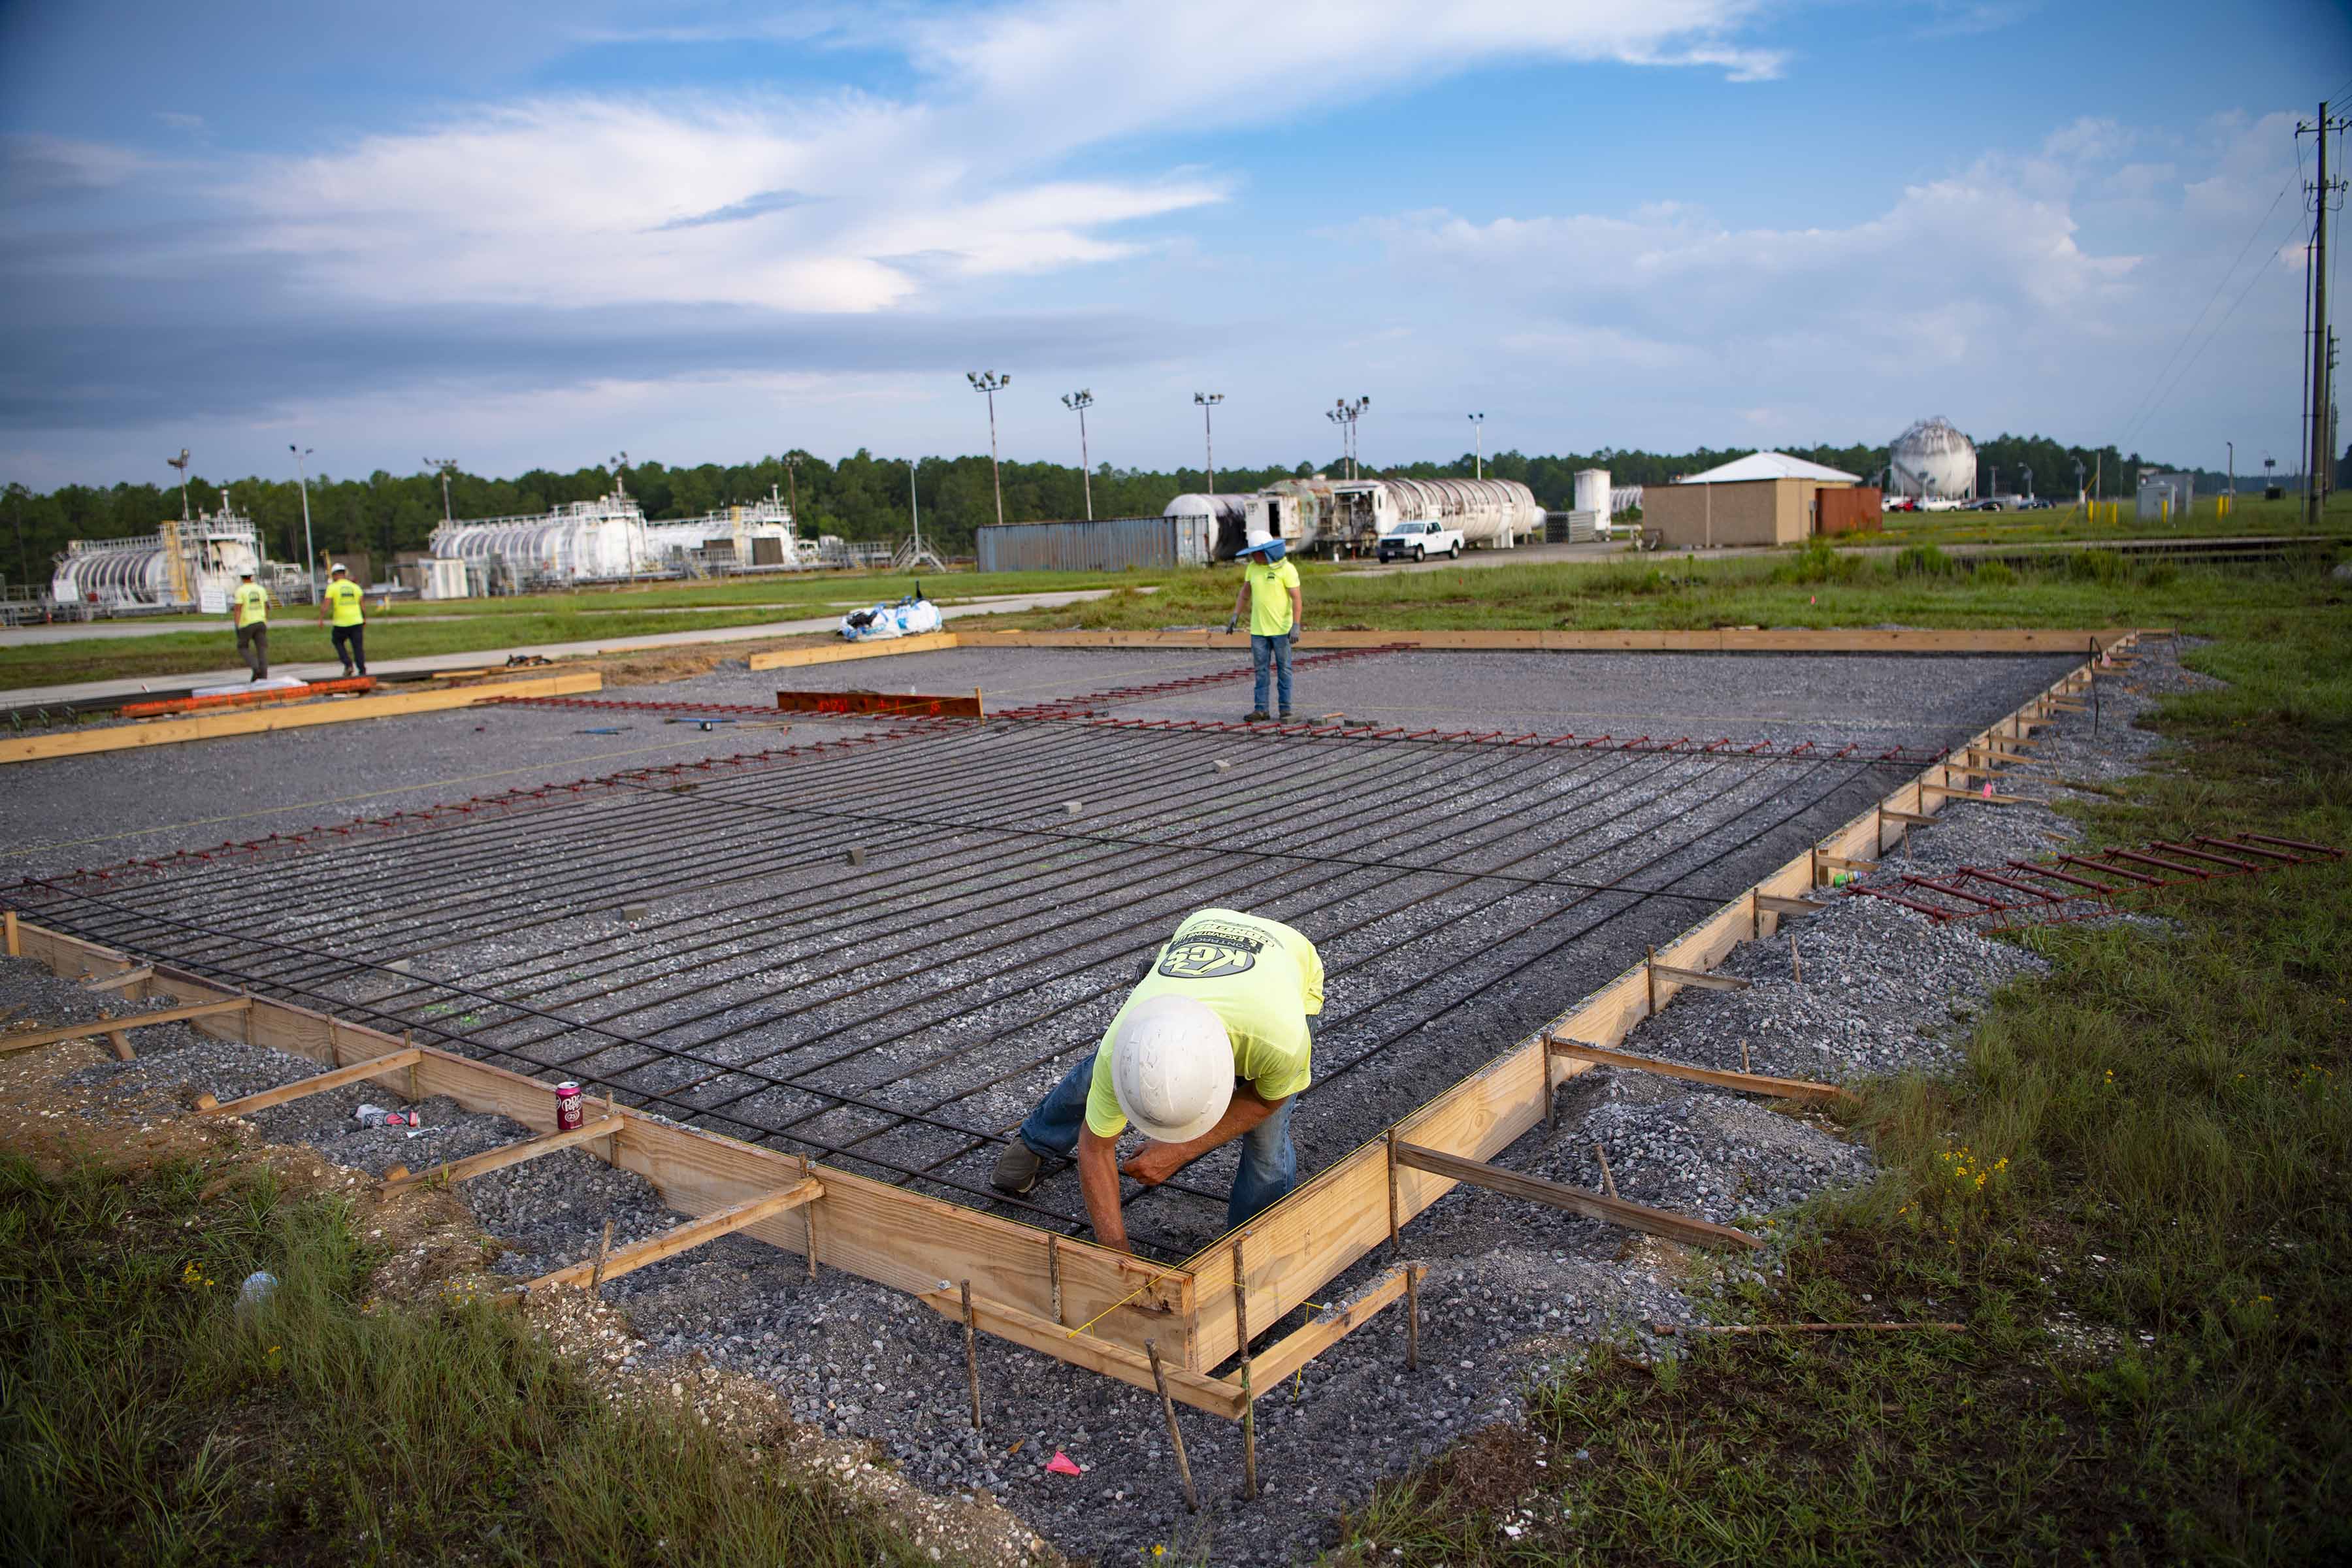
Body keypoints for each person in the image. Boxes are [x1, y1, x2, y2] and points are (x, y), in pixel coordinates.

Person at [994, 907, 1324, 1253]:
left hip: (1288, 953)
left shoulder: (1278, 1042)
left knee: (1266, 1142)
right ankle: (1035, 1142)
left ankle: (1249, 1250)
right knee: (1096, 1077)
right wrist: (1117, 1251)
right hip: (1204, 928)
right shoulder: (1121, 1046)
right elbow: (1096, 1146)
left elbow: (1265, 1100)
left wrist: (1179, 1150)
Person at [1223, 537, 1303, 723]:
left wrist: (1296, 625)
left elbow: (1297, 598)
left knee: (1284, 670)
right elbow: (1245, 593)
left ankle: (1285, 710)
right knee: (1261, 671)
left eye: (1256, 552)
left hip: (1281, 630)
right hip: (1258, 630)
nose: (1253, 556)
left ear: (1267, 552)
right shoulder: (1252, 568)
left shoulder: (1287, 569)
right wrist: (1235, 615)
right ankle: (1261, 710)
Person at [319, 563, 367, 676]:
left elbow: (326, 605)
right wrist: (365, 619)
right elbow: (362, 606)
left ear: (335, 575)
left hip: (341, 623)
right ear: (344, 574)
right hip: (356, 621)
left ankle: (348, 664)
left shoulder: (333, 587)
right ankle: (362, 671)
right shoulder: (355, 587)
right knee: (358, 647)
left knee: (337, 641)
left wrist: (321, 618)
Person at [229, 568, 272, 681]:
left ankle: (255, 666)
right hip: (261, 622)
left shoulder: (240, 591)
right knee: (262, 649)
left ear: (241, 578)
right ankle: (263, 677)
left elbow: (238, 609)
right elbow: (267, 607)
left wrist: (237, 625)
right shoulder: (260, 589)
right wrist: (265, 620)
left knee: (242, 647)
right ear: (252, 576)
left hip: (247, 623)